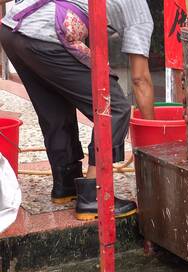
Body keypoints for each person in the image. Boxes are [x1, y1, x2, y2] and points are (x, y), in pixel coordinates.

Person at [0, 0, 155, 220]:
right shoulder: (138, 8)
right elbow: (140, 80)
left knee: (54, 106)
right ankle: (94, 195)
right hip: (45, 36)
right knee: (114, 107)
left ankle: (65, 184)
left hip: (11, 31)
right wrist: (155, 142)